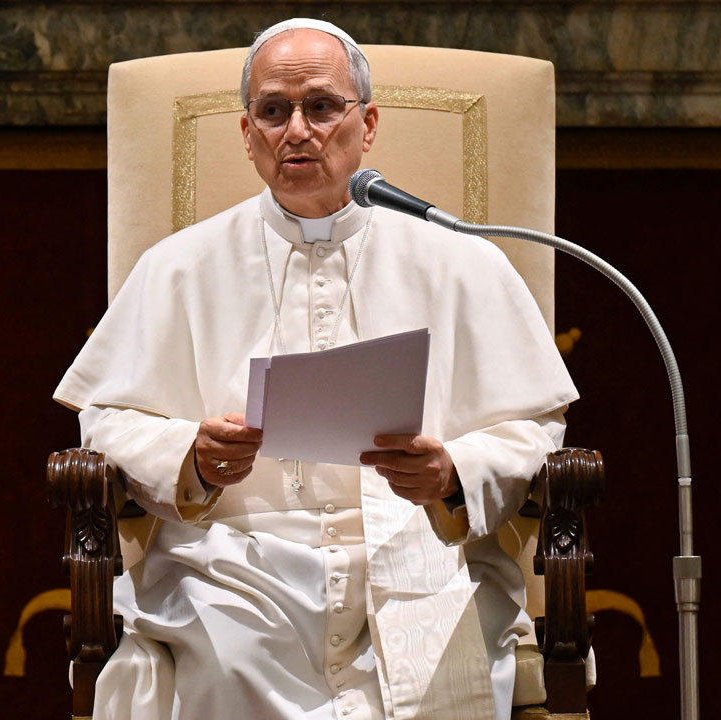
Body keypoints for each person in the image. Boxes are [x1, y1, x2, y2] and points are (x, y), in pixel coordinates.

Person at [54, 18, 578, 720]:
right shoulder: (180, 267)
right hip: (235, 567)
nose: (296, 129)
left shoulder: (462, 261)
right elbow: (106, 419)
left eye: (322, 107)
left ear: (367, 125)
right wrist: (192, 457)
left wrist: (453, 471)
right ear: (247, 136)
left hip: (424, 556)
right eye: (273, 110)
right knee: (227, 664)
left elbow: (535, 426)